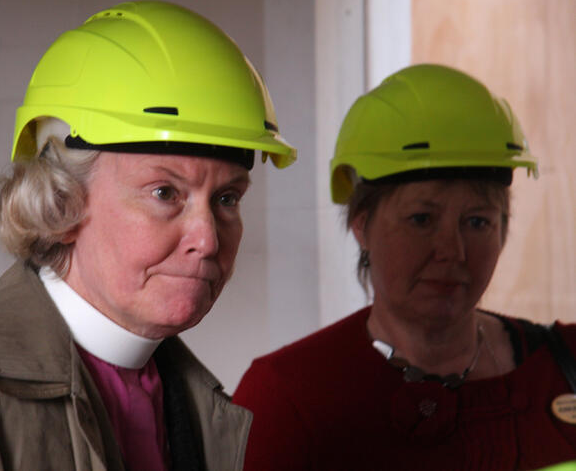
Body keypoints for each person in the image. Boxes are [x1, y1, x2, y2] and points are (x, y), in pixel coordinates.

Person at [0, 0, 296, 471]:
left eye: (227, 198)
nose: (207, 240)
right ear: (60, 201)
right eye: (165, 192)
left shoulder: (187, 397)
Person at [233, 64, 576, 470]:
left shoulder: (565, 363)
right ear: (362, 225)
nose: (453, 251)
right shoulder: (287, 399)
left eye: (478, 221)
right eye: (421, 219)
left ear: (503, 231)